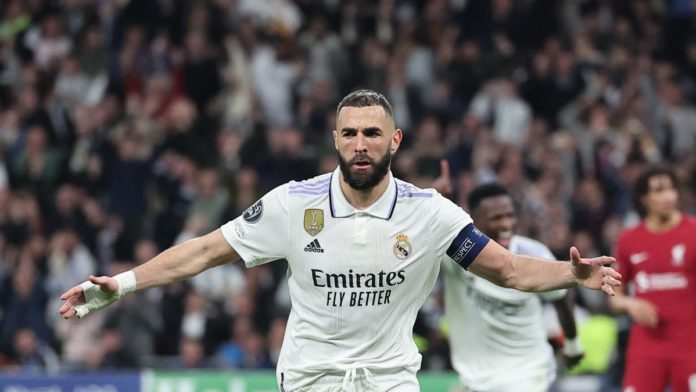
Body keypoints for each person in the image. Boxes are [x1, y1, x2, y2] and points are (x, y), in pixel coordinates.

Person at [59, 89, 621, 392]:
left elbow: (510, 270)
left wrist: (572, 275)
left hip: (388, 381)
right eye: (349, 132)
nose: (359, 143)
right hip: (310, 379)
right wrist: (125, 283)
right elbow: (206, 250)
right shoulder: (292, 203)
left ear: (394, 140)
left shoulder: (429, 213)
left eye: (371, 133)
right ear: (334, 137)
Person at [436, 180, 584, 391]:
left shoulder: (534, 254)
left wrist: (572, 344)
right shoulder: (453, 255)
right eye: (496, 218)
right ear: (473, 221)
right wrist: (436, 204)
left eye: (510, 215)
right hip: (474, 380)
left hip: (528, 374)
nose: (506, 224)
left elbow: (561, 297)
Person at [608, 166, 696, 392]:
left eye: (671, 189)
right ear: (643, 198)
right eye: (658, 190)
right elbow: (615, 295)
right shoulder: (629, 240)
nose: (669, 196)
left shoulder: (693, 233)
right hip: (646, 347)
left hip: (690, 346)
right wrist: (630, 303)